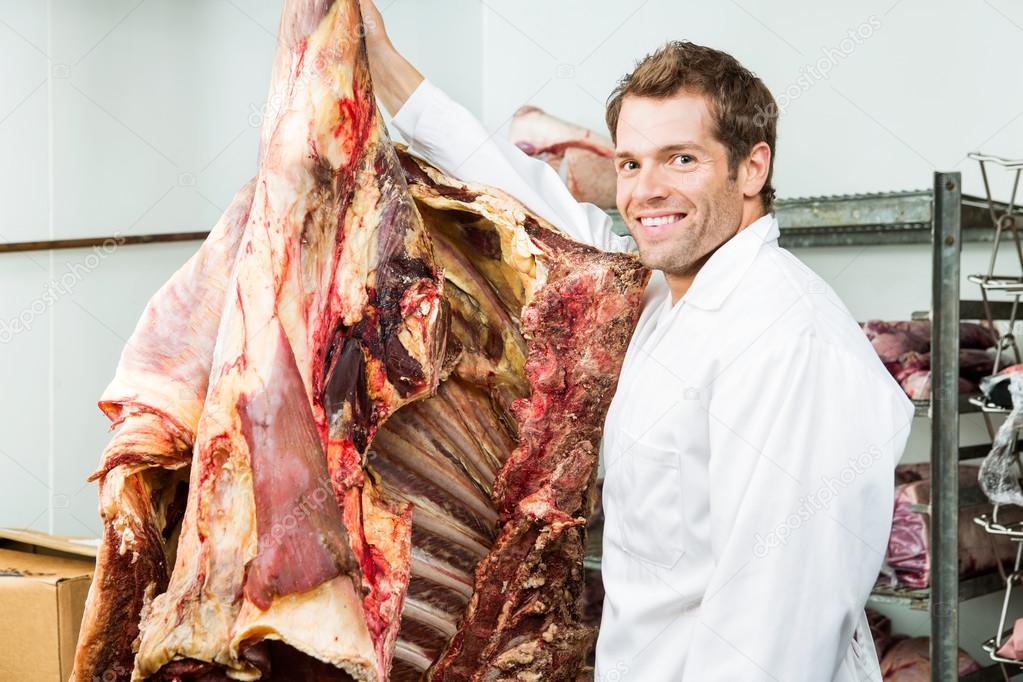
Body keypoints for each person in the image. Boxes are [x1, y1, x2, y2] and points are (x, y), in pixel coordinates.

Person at [359, 2, 914, 680]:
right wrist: (383, 68)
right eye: (629, 164)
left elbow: (772, 628)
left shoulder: (786, 340)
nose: (646, 192)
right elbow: (527, 203)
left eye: (679, 159)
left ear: (750, 168)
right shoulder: (658, 297)